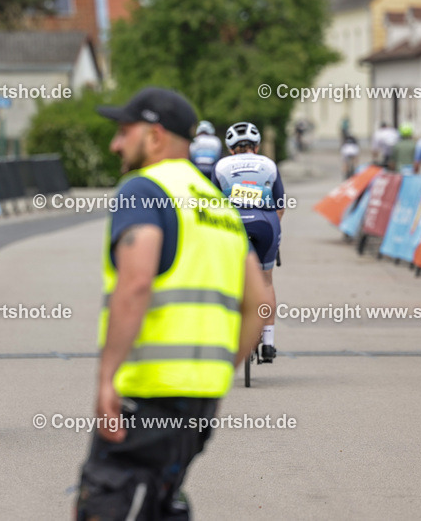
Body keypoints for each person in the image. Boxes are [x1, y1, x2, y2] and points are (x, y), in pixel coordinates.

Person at [75, 87, 268, 520]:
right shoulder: (218, 207)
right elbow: (260, 304)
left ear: (155, 136)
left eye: (124, 132)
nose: (116, 144)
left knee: (103, 504)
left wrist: (107, 379)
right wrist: (220, 372)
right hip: (201, 403)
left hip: (147, 395)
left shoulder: (144, 189)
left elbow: (136, 283)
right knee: (161, 504)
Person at [213, 120, 284, 363]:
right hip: (265, 225)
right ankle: (269, 343)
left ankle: (230, 334)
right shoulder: (268, 164)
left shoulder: (221, 165)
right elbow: (280, 206)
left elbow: (212, 204)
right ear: (257, 146)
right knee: (265, 281)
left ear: (230, 148)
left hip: (233, 226)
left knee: (227, 280)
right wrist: (274, 235)